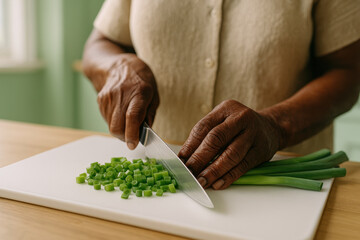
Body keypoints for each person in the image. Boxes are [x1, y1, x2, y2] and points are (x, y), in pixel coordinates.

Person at [83, 0, 360, 190]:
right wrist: (116, 67)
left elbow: (349, 70)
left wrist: (275, 126)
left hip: (283, 187)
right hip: (161, 179)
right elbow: (100, 43)